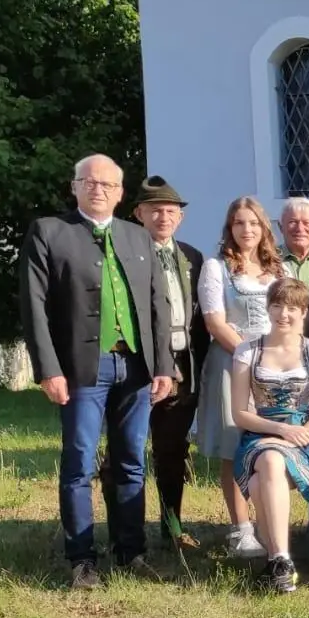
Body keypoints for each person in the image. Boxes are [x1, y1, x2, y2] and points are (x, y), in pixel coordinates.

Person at [21, 154, 174, 589]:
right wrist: (48, 369)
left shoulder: (138, 236)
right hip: (80, 370)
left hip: (136, 368)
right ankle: (82, 560)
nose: (98, 189)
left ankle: (130, 551)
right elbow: (33, 307)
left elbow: (157, 304)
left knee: (131, 462)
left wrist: (163, 364)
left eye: (108, 184)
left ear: (121, 193)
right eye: (89, 181)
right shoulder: (50, 232)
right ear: (75, 187)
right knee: (79, 464)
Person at [229, 279, 309, 594]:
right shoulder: (248, 349)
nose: (283, 314)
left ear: (303, 312)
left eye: (291, 307)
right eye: (276, 305)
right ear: (268, 307)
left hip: (306, 437)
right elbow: (239, 414)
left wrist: (302, 433)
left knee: (265, 477)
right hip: (260, 433)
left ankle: (276, 563)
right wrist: (280, 429)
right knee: (271, 460)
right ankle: (283, 560)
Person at [195, 195, 284, 559]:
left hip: (276, 366)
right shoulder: (216, 268)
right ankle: (240, 530)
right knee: (234, 444)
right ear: (229, 229)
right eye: (239, 223)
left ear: (264, 228)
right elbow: (215, 322)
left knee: (270, 444)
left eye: (253, 223)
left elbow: (293, 315)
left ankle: (271, 525)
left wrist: (276, 360)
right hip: (233, 362)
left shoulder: (280, 270)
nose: (246, 230)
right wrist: (251, 357)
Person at [129, 176, 210, 549]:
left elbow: (200, 319)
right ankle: (126, 531)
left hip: (183, 362)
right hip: (137, 363)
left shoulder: (192, 257)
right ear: (139, 214)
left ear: (180, 218)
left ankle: (171, 524)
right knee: (126, 448)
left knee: (172, 448)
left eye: (171, 211)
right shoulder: (125, 254)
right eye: (155, 210)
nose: (164, 217)